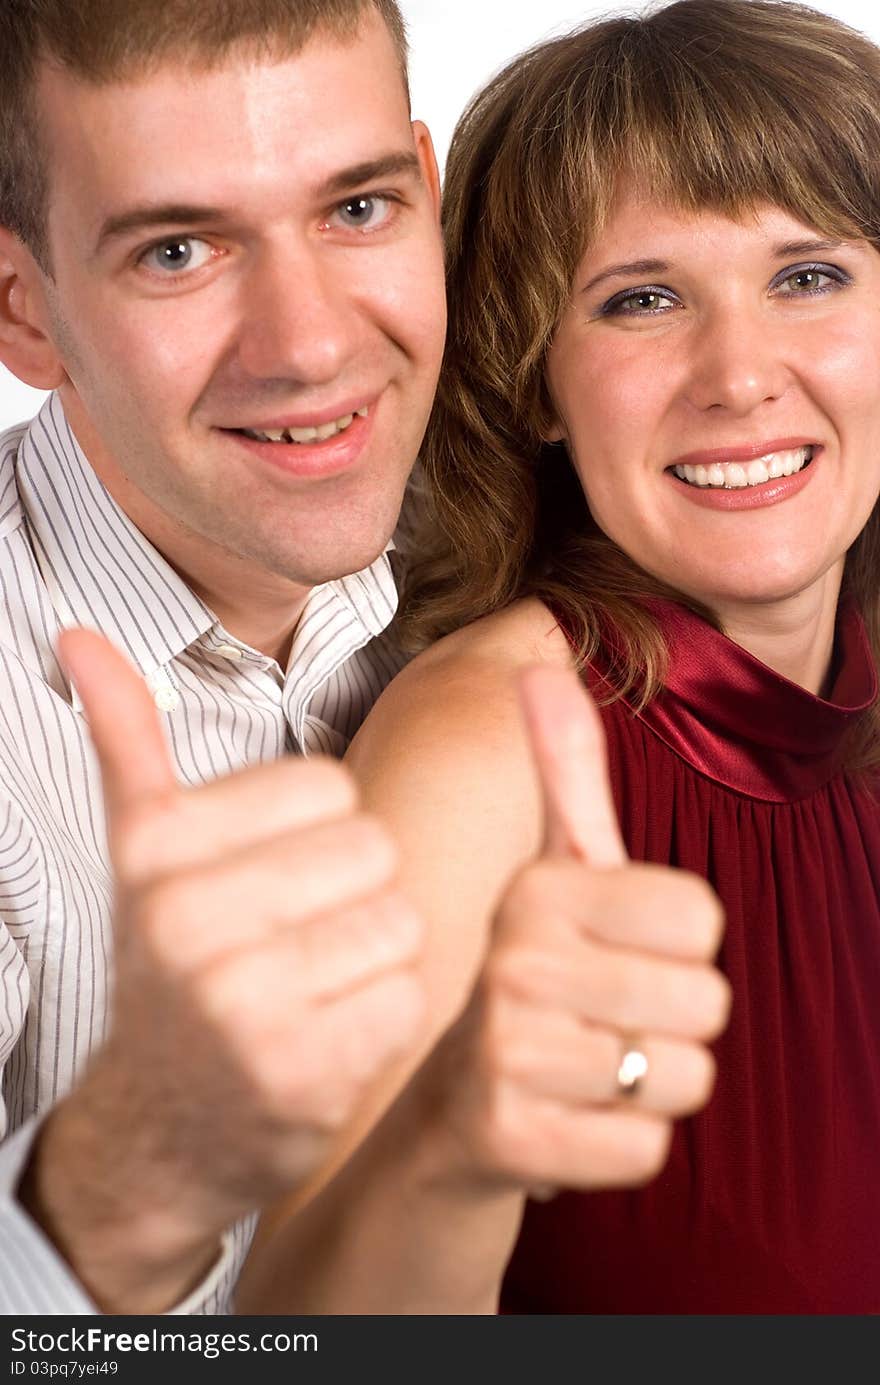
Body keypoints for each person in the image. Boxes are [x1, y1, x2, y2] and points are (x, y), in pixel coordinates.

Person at [0, 0, 726, 1316]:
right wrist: (126, 1183)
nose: (314, 344)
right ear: (23, 309)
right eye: (178, 249)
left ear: (427, 192)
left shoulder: (533, 518)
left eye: (356, 211)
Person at [241, 0, 880, 1315]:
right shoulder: (484, 749)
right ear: (534, 381)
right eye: (642, 300)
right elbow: (296, 1339)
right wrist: (457, 1153)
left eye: (806, 276)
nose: (741, 374)